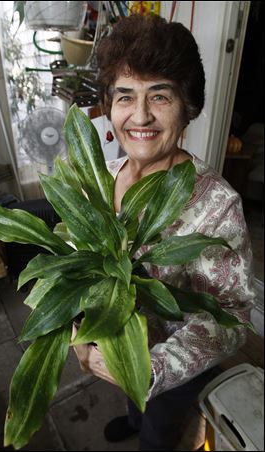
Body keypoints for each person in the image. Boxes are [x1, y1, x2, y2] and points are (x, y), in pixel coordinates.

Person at [71, 14, 256, 451]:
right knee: (137, 407)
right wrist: (79, 326)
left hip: (168, 371)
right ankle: (133, 414)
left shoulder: (215, 206)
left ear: (187, 106)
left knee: (159, 427)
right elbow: (80, 265)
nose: (140, 116)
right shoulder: (104, 177)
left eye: (160, 96)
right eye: (125, 96)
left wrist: (151, 370)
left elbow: (231, 317)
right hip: (118, 347)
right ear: (108, 105)